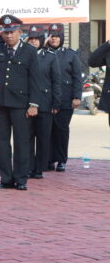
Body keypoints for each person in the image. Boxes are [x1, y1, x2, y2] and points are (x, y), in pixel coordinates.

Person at [0, 15, 41, 191]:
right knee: (3, 141)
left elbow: (35, 80)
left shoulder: (29, 51)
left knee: (21, 141)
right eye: (6, 32)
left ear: (19, 32)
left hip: (21, 103)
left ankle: (20, 179)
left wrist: (34, 104)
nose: (9, 36)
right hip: (1, 102)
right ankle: (5, 178)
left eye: (12, 32)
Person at [25, 25, 61, 179]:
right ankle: (28, 166)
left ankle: (39, 168)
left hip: (45, 103)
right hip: (26, 103)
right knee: (26, 137)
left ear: (42, 39)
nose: (33, 42)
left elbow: (56, 81)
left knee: (43, 137)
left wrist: (56, 103)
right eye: (31, 38)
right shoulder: (22, 55)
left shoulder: (50, 56)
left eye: (36, 39)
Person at [48, 23, 81, 172]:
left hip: (66, 98)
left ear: (61, 37)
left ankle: (61, 160)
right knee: (47, 130)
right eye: (51, 36)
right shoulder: (43, 53)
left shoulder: (71, 55)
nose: (53, 39)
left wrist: (76, 96)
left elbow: (77, 77)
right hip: (47, 98)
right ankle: (48, 159)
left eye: (56, 36)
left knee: (61, 130)